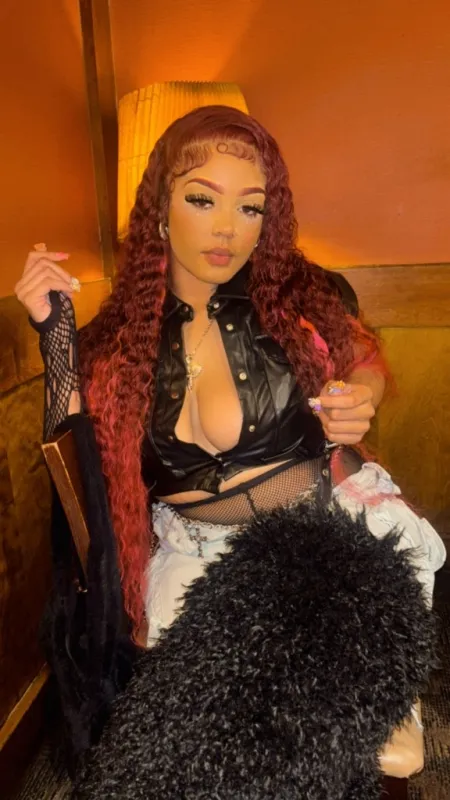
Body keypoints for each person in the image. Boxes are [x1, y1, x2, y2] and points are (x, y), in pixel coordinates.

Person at [15, 105, 445, 773]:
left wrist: (360, 395)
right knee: (206, 755)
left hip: (326, 537)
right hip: (196, 558)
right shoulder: (118, 339)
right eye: (202, 199)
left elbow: (362, 357)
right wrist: (55, 333)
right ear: (160, 210)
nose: (228, 229)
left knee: (363, 749)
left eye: (250, 208)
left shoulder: (293, 296)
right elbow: (77, 465)